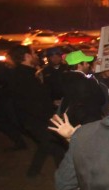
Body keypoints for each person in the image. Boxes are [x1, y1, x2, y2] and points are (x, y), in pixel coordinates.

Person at [7, 45, 65, 177]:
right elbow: (30, 103)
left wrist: (51, 102)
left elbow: (34, 97)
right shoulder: (23, 76)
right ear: (27, 56)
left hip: (35, 119)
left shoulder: (25, 73)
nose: (36, 56)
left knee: (45, 145)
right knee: (57, 148)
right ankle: (66, 180)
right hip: (37, 120)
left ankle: (33, 173)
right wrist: (51, 117)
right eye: (33, 54)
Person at [60, 50, 106, 126]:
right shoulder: (87, 82)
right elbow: (101, 99)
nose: (88, 65)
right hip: (89, 121)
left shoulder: (64, 79)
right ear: (79, 65)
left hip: (72, 121)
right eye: (86, 63)